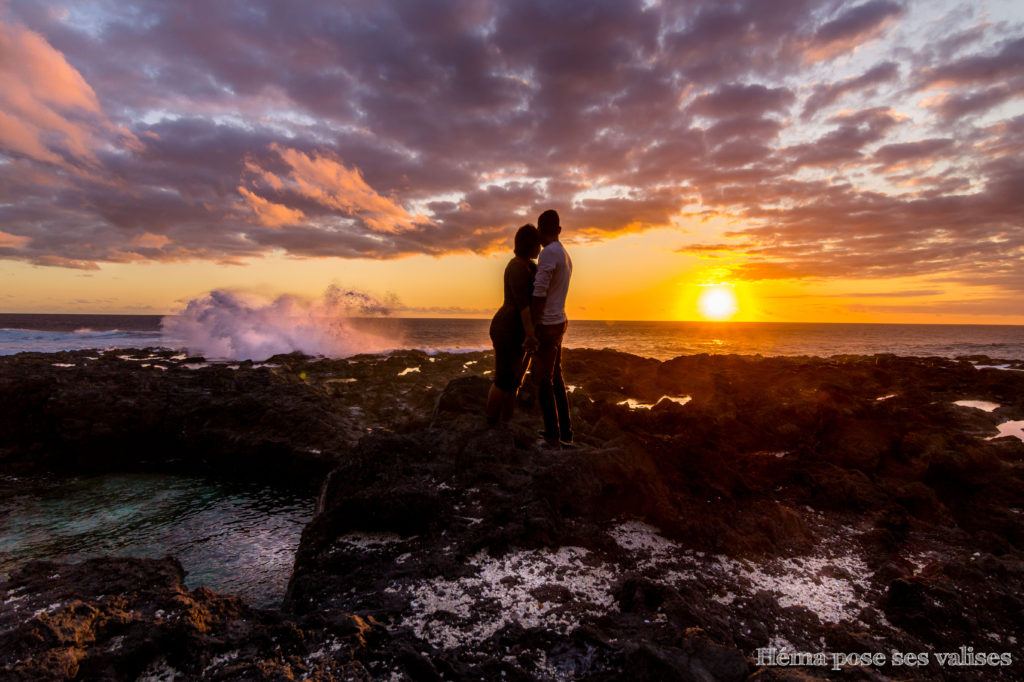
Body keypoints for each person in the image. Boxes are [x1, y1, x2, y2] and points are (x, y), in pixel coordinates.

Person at [487, 224, 542, 424]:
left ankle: (505, 424)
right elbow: (524, 308)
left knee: (514, 382)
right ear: (530, 245)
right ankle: (491, 424)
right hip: (507, 329)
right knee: (503, 380)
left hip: (517, 331)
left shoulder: (530, 266)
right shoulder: (517, 268)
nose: (540, 248)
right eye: (538, 244)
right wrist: (530, 335)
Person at [530, 209, 573, 445]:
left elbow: (539, 293)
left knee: (542, 379)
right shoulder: (565, 254)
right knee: (556, 377)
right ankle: (565, 432)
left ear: (539, 230)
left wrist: (531, 327)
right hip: (560, 321)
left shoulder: (548, 254)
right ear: (558, 230)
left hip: (547, 323)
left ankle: (553, 434)